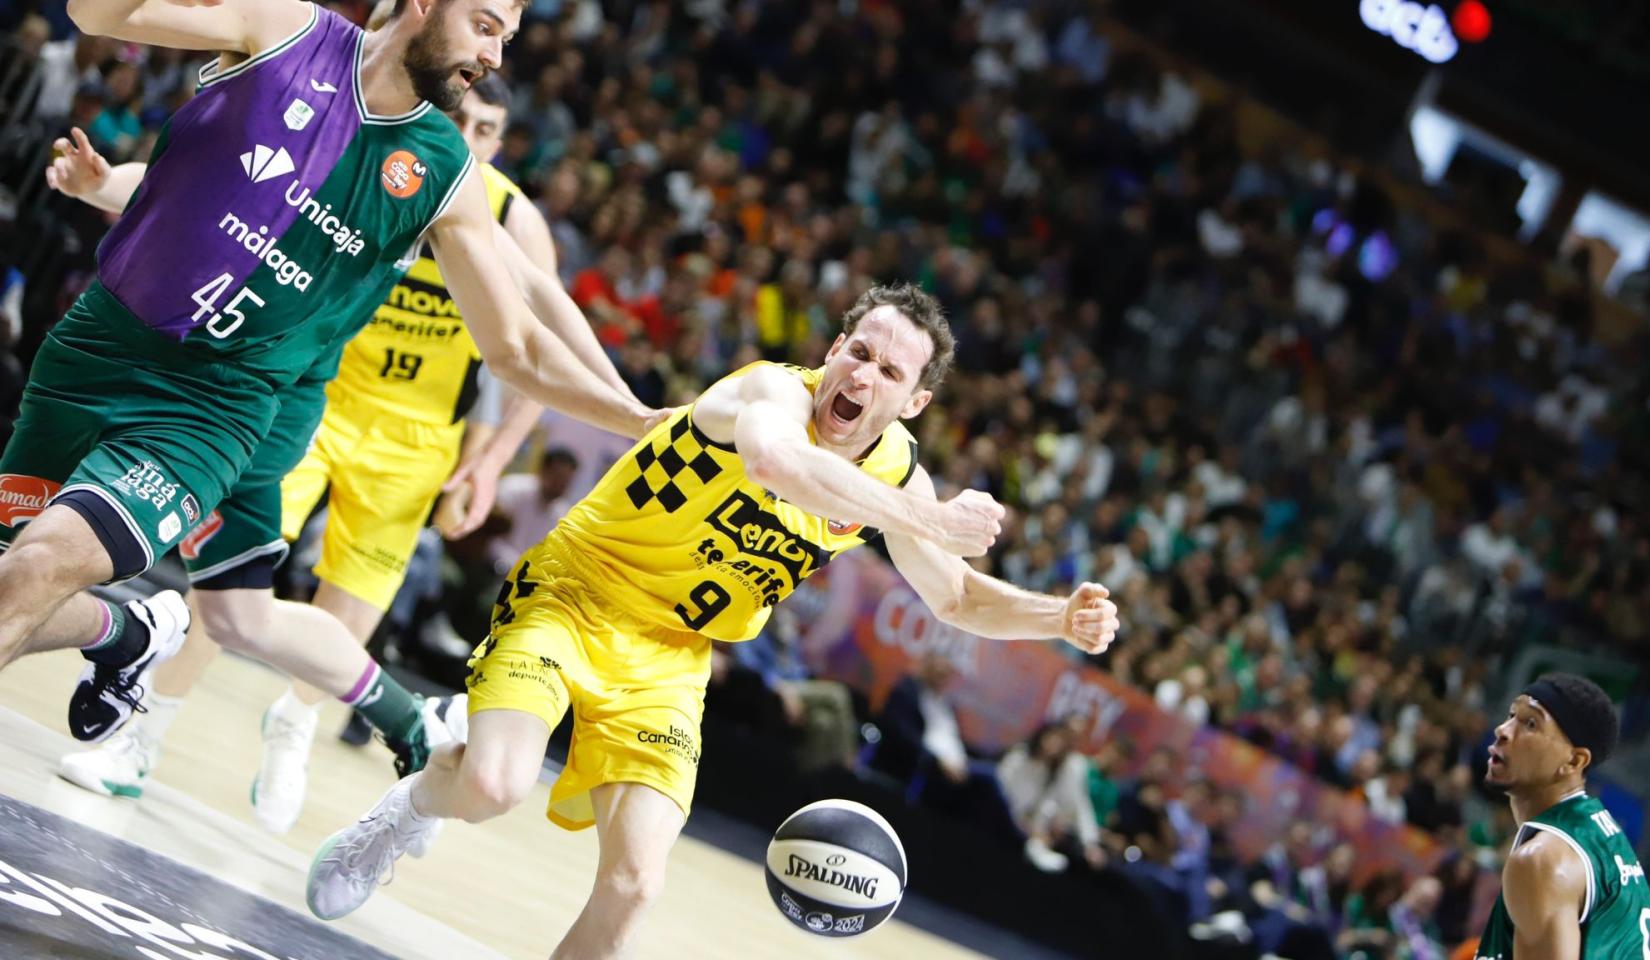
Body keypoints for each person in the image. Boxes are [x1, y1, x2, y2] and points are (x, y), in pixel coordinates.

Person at [306, 284, 1121, 957]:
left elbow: (956, 599)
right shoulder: (769, 391)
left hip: (671, 657)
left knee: (634, 886)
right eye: (858, 352)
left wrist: (1058, 618)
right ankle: (409, 810)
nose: (864, 376)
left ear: (915, 401)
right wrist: (930, 521)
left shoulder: (899, 476)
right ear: (834, 349)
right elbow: (777, 464)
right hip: (579, 590)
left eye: (889, 372)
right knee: (492, 786)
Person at [0, 0, 661, 764]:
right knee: (27, 578)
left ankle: (387, 716)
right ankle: (128, 631)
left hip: (225, 407)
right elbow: (104, 22)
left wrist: (639, 417)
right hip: (97, 347)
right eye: (486, 26)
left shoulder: (448, 174)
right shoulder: (286, 27)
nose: (497, 59)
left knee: (56, 567)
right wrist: (108, 182)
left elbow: (519, 342)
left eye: (507, 39)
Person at [1476, 673, 1650, 959]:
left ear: (1574, 761)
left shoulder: (1543, 860)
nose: (1502, 729)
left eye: (1530, 723)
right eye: (1512, 714)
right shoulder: (1596, 833)